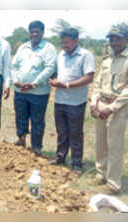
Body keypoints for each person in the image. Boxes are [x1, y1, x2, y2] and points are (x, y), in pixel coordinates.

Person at [90, 25, 128, 194]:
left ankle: (113, 184)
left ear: (126, 40)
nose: (114, 42)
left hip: (117, 108)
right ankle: (101, 174)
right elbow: (98, 84)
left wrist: (112, 107)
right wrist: (93, 103)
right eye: (111, 39)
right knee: (101, 143)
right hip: (101, 105)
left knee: (115, 146)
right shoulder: (106, 61)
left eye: (118, 39)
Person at [48, 28, 95, 177]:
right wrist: (53, 79)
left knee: (75, 133)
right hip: (60, 100)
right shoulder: (61, 55)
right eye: (62, 42)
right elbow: (57, 72)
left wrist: (67, 85)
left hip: (76, 102)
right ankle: (60, 157)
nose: (64, 45)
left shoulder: (85, 55)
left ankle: (76, 164)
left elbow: (89, 77)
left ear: (76, 41)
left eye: (67, 42)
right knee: (61, 131)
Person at [11, 20, 57, 155]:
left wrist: (34, 83)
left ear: (43, 32)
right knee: (20, 116)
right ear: (29, 32)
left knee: (37, 120)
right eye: (32, 31)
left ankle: (36, 147)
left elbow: (50, 68)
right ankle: (21, 140)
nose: (34, 34)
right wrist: (16, 81)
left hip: (38, 92)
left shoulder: (49, 48)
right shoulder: (23, 47)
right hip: (20, 90)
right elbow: (14, 66)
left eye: (37, 31)